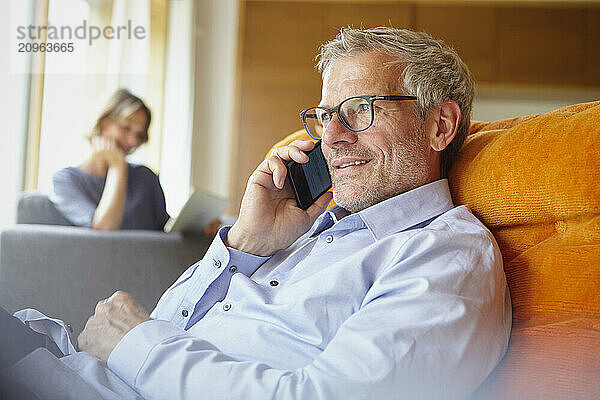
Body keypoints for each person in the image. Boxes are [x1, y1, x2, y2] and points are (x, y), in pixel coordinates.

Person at [2, 27, 511, 399]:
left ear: (440, 125)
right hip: (61, 366)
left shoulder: (447, 257)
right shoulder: (308, 227)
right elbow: (170, 322)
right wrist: (244, 242)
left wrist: (137, 344)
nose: (330, 137)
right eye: (326, 115)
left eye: (360, 109)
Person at [51, 89, 170, 231]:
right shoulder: (66, 180)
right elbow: (105, 227)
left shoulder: (145, 177)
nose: (132, 141)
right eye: (126, 128)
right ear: (103, 122)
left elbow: (166, 232)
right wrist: (117, 168)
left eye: (139, 134)